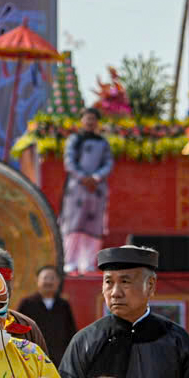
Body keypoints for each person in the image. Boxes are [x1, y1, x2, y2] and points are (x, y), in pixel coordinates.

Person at [59, 246, 189, 378]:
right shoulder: (86, 341)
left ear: (150, 285)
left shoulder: (176, 340)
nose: (115, 293)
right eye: (108, 282)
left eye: (125, 282)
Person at [59, 107, 114, 274]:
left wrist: (96, 178)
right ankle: (70, 262)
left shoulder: (103, 142)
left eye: (93, 119)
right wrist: (84, 177)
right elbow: (69, 162)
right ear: (82, 121)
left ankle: (89, 262)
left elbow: (108, 163)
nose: (90, 122)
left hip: (96, 189)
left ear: (97, 122)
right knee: (74, 225)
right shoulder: (74, 140)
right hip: (77, 188)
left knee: (94, 225)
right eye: (87, 119)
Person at [17, 263, 80, 366]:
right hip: (33, 357)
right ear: (37, 280)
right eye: (45, 278)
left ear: (58, 282)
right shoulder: (27, 304)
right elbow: (17, 330)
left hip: (59, 358)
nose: (49, 282)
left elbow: (71, 331)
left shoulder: (63, 305)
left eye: (52, 278)